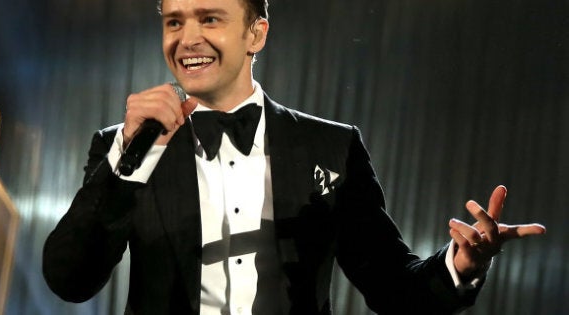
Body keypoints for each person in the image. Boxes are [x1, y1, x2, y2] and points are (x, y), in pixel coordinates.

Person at [42, 0, 546, 314]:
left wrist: (461, 265)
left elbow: (396, 290)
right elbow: (70, 280)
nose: (187, 38)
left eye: (210, 18)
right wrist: (127, 163)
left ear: (256, 33)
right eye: (174, 21)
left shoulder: (330, 147)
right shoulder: (125, 148)